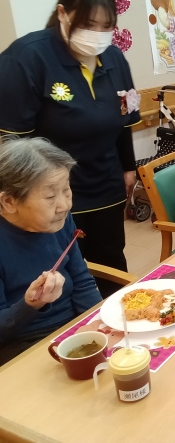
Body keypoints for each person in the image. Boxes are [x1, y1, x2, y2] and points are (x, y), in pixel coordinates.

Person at [0, 0, 140, 298]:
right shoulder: (26, 59)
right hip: (50, 194)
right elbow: (13, 145)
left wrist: (128, 168)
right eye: (89, 24)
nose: (98, 35)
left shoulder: (114, 59)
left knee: (110, 264)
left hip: (106, 185)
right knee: (59, 275)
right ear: (63, 13)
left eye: (106, 26)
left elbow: (124, 119)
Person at [0, 139, 102, 366]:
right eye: (50, 197)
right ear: (9, 201)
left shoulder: (58, 220)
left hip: (74, 326)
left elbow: (82, 280)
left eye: (66, 190)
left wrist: (98, 322)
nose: (64, 205)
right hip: (23, 345)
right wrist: (30, 305)